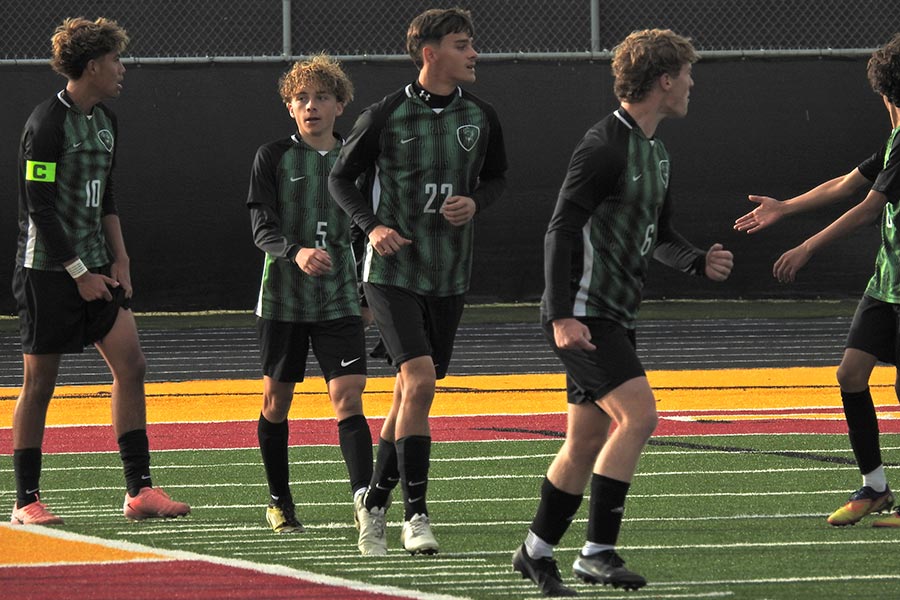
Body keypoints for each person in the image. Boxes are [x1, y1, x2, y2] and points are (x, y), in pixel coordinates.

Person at [513, 29, 734, 595]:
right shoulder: (603, 146)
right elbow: (560, 229)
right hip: (584, 315)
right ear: (664, 80)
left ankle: (535, 552)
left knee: (585, 441)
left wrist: (698, 261)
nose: (692, 85)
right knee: (639, 417)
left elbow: (660, 235)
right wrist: (561, 315)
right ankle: (597, 552)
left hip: (613, 314)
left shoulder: (655, 152)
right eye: (687, 74)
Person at [329, 7, 507, 555]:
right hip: (392, 271)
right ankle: (416, 515)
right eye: (462, 44)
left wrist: (475, 201)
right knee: (421, 379)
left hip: (449, 272)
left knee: (409, 391)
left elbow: (497, 178)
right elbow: (340, 179)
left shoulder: (482, 115)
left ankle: (373, 501)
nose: (474, 53)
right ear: (431, 54)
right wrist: (373, 226)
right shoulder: (385, 114)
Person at [10, 17, 190, 525]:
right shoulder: (46, 124)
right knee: (39, 383)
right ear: (92, 66)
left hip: (96, 268)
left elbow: (105, 196)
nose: (122, 68)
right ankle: (25, 500)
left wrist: (120, 259)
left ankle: (139, 491)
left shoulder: (107, 120)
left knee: (132, 366)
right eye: (115, 59)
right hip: (48, 272)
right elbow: (39, 208)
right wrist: (78, 273)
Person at [734, 34, 900, 529]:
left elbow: (868, 208)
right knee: (851, 374)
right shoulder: (895, 140)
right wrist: (784, 208)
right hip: (887, 282)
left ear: (884, 93)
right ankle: (875, 488)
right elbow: (847, 183)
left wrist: (807, 246)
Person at [246, 55, 382, 554]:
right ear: (289, 107)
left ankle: (365, 503)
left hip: (340, 298)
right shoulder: (273, 156)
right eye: (301, 98)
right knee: (275, 403)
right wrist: (296, 251)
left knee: (348, 398)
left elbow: (370, 230)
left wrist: (367, 295)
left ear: (340, 105)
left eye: (322, 97)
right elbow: (261, 227)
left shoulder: (358, 161)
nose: (311, 106)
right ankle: (279, 500)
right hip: (282, 299)